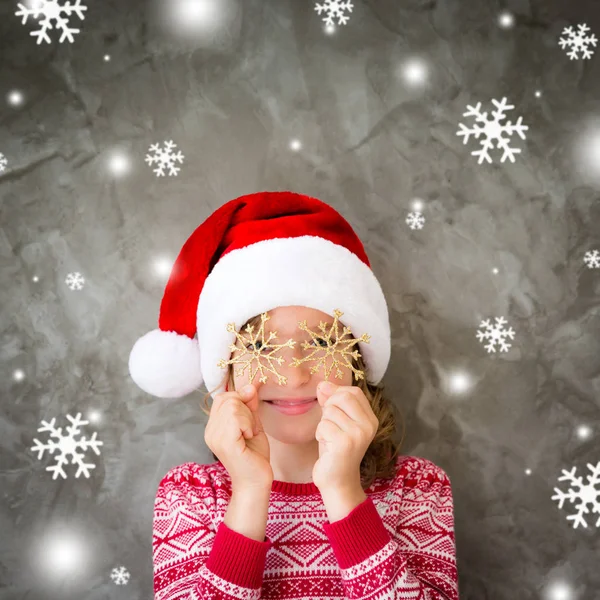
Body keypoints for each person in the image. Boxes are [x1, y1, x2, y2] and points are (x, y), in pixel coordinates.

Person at [129, 191, 460, 599]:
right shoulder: (189, 496)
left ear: (358, 362)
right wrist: (250, 493)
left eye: (322, 343)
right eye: (262, 347)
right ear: (226, 374)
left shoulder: (417, 488)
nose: (293, 373)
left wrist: (342, 491)